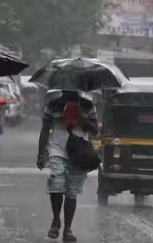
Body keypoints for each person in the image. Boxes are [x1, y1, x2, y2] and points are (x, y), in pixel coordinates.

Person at [37, 90, 98, 243]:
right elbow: (45, 129)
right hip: (57, 149)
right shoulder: (52, 105)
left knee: (71, 192)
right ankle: (56, 220)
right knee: (56, 184)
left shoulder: (88, 105)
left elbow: (95, 131)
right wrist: (41, 153)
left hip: (78, 152)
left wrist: (81, 117)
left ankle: (67, 230)